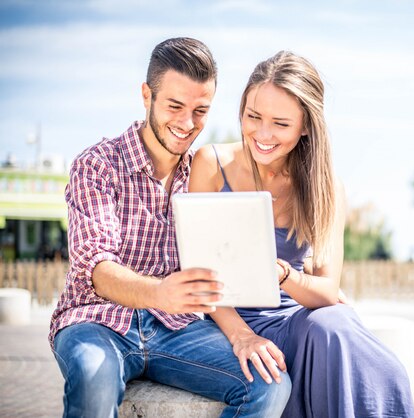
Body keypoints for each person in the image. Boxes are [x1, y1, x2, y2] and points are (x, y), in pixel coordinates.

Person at [49, 37, 290, 418]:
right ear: (147, 95)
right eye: (174, 106)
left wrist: (243, 333)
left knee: (270, 382)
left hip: (176, 330)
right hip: (97, 320)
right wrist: (160, 292)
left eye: (201, 110)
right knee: (95, 375)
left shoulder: (202, 171)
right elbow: (96, 269)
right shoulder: (97, 165)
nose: (187, 123)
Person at [190, 50, 414, 418]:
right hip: (230, 320)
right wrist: (241, 336)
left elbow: (327, 292)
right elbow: (198, 274)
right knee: (336, 330)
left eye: (280, 124)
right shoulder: (212, 165)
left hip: (299, 321)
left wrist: (282, 273)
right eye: (253, 117)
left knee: (338, 325)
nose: (262, 134)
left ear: (306, 126)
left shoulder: (327, 188)